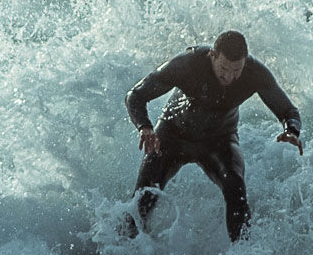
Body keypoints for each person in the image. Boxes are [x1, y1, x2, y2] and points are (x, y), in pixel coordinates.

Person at [121, 30, 302, 242]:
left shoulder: (255, 73)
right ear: (212, 56)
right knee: (145, 195)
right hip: (172, 136)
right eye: (224, 69)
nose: (229, 77)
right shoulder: (188, 64)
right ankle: (120, 252)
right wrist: (145, 127)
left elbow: (289, 112)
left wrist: (291, 130)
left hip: (219, 140)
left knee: (235, 186)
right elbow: (135, 95)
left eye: (237, 70)